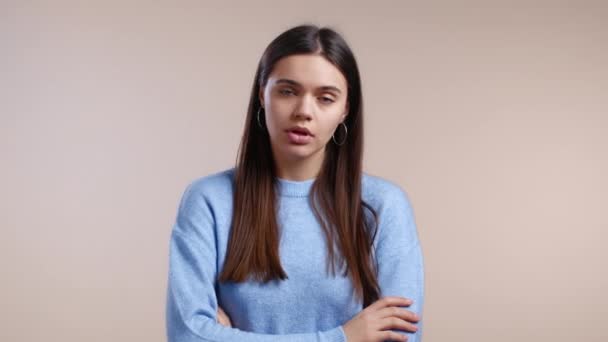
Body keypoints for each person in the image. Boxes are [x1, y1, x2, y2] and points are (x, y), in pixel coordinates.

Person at [166, 24, 424, 342]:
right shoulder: (209, 201)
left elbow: (401, 338)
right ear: (262, 94)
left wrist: (229, 336)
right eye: (288, 91)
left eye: (325, 98)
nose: (304, 111)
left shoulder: (384, 206)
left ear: (346, 109)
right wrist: (343, 337)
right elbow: (188, 336)